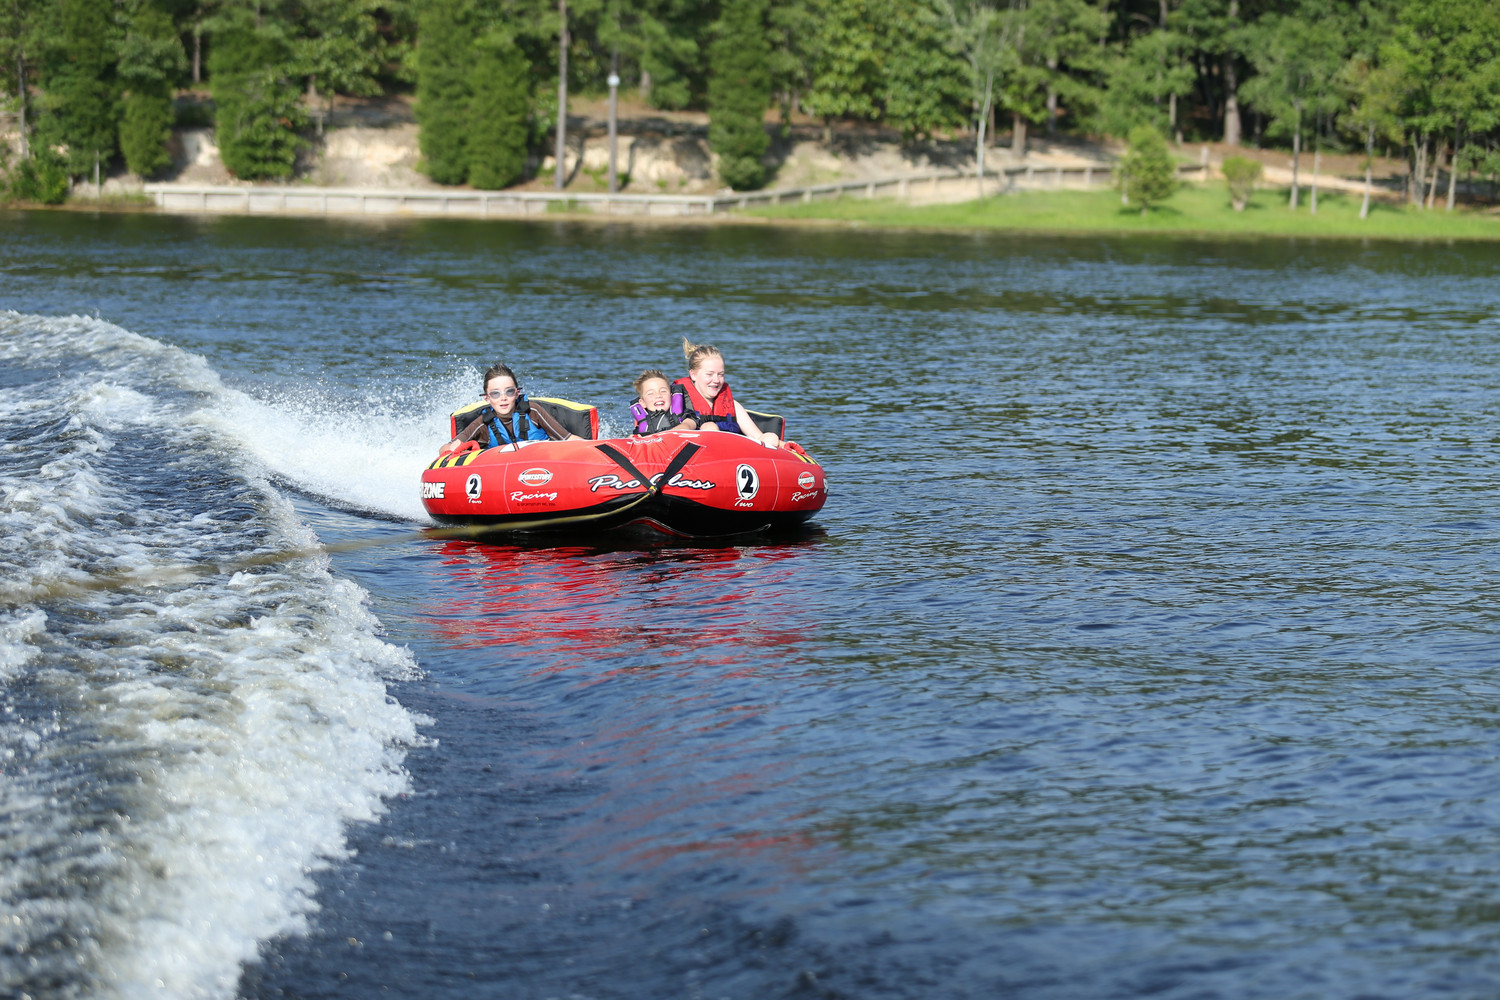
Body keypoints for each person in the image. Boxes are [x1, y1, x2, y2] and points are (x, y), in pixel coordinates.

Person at [440, 363, 578, 453]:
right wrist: (455, 450)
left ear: (517, 393)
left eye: (509, 391)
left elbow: (568, 438)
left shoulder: (533, 411)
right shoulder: (482, 423)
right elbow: (444, 449)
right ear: (487, 398)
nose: (503, 398)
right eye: (495, 394)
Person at [672, 339, 780, 448]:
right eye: (709, 374)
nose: (716, 380)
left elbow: (758, 436)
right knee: (709, 428)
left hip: (732, 454)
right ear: (693, 375)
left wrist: (781, 444)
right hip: (693, 453)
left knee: (771, 438)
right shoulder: (678, 404)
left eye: (721, 374)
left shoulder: (733, 406)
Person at [630, 369, 698, 435]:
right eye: (650, 393)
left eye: (663, 391)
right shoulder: (642, 425)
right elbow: (634, 438)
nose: (658, 395)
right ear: (643, 403)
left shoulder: (685, 414)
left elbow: (689, 425)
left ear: (671, 396)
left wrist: (667, 434)